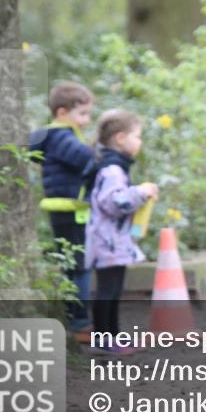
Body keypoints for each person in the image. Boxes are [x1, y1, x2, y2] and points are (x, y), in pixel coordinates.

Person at [84, 109, 158, 355]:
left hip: (114, 241)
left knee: (114, 290)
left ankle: (114, 336)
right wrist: (140, 192)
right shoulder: (112, 171)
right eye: (137, 136)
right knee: (107, 291)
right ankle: (103, 340)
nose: (140, 142)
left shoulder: (115, 168)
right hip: (106, 241)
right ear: (120, 138)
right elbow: (113, 202)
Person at [29, 81, 95, 342]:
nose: (87, 120)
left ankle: (72, 317)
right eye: (83, 114)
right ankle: (80, 322)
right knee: (81, 266)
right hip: (71, 208)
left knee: (71, 265)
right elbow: (88, 160)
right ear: (62, 113)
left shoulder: (52, 137)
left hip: (61, 209)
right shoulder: (63, 137)